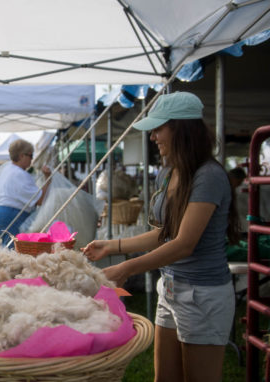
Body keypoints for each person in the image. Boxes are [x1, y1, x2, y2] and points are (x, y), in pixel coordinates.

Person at [82, 92, 239, 382]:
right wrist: (112, 246)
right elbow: (164, 234)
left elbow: (184, 244)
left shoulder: (208, 176)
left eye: (158, 129)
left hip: (202, 294)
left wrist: (127, 267)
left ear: (181, 129)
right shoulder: (168, 173)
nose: (153, 137)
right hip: (169, 288)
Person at [0, 139, 51, 247]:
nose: (32, 159)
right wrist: (48, 178)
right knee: (15, 253)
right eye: (30, 155)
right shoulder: (20, 175)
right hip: (13, 216)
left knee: (8, 251)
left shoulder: (7, 170)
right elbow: (39, 200)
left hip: (1, 215)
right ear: (21, 156)